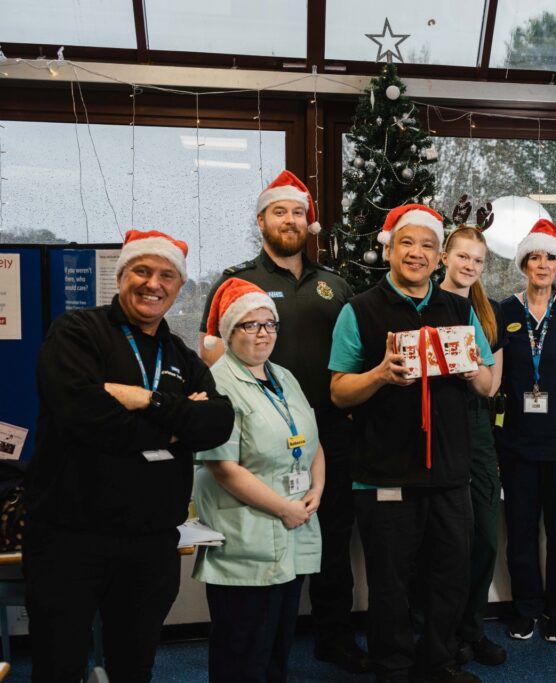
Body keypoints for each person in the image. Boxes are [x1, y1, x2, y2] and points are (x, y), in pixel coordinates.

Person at [24, 230, 234, 682]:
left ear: (179, 288)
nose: (153, 284)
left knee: (135, 665)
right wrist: (176, 428)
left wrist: (147, 401)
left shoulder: (179, 352)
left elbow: (217, 423)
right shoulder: (77, 332)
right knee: (58, 666)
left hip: (151, 543)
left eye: (166, 276)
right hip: (70, 537)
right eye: (142, 271)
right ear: (121, 277)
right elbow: (86, 417)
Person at [198, 170, 366, 672]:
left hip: (324, 433)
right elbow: (210, 354)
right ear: (262, 220)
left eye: (298, 212)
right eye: (279, 212)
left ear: (308, 222)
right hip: (253, 438)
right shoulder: (236, 282)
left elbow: (355, 354)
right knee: (265, 534)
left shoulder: (336, 286)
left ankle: (333, 637)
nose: (290, 220)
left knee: (331, 537)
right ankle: (267, 642)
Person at [328, 204, 495, 683]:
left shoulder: (460, 309)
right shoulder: (358, 310)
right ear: (390, 248)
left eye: (426, 245)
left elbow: (486, 386)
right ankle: (393, 668)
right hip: (383, 472)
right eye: (407, 243)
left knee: (448, 577)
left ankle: (438, 662)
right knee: (390, 583)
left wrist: (471, 371)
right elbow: (339, 391)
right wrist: (379, 375)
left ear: (440, 256)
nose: (417, 253)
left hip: (449, 472)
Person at [193, 278, 325, 681]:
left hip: (292, 528)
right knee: (242, 652)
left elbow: (313, 441)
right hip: (246, 538)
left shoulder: (284, 376)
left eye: (270, 324)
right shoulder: (217, 383)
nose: (263, 333)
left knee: (275, 649)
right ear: (229, 332)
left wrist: (316, 489)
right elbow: (222, 466)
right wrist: (284, 507)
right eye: (251, 325)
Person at [495, 219, 556, 643]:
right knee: (519, 531)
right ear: (523, 264)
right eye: (534, 257)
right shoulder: (505, 311)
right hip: (515, 442)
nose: (542, 264)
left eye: (549, 257)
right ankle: (526, 608)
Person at [439, 226, 509, 667]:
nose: (469, 266)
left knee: (484, 536)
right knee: (441, 542)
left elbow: (492, 383)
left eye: (477, 260)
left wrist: (469, 369)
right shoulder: (424, 305)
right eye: (462, 256)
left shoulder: (487, 312)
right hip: (436, 425)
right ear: (446, 257)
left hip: (477, 426)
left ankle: (472, 626)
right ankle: (440, 636)